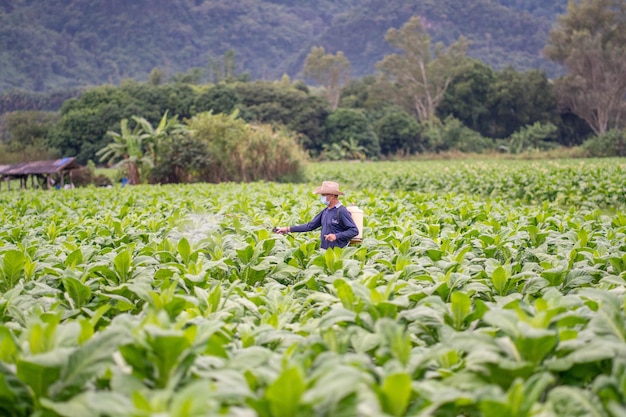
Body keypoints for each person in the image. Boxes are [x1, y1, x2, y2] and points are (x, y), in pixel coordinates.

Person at [275, 181, 359, 249]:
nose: (321, 197)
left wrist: (336, 236)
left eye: (323, 195)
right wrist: (286, 229)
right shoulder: (325, 211)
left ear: (332, 196)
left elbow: (354, 230)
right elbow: (309, 226)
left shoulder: (341, 211)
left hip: (338, 253)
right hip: (325, 252)